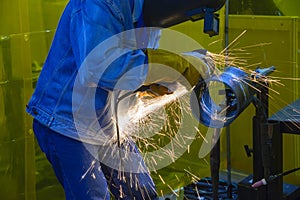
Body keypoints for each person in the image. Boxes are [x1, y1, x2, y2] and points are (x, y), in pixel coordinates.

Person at [26, 0, 208, 199]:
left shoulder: (148, 15)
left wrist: (146, 84)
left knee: (142, 194)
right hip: (68, 125)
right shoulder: (99, 3)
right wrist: (168, 63)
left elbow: (132, 62)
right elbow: (98, 67)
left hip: (112, 123)